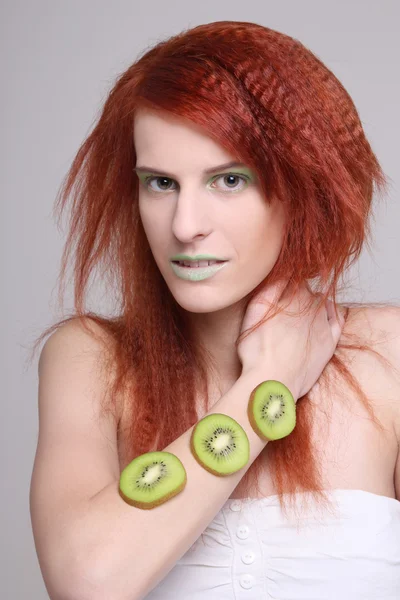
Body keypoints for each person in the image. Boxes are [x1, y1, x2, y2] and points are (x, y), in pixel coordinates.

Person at [29, 20, 400, 600]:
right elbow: (87, 583)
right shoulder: (90, 361)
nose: (184, 226)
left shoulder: (390, 357)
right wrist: (268, 386)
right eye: (160, 183)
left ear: (303, 188)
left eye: (228, 179)